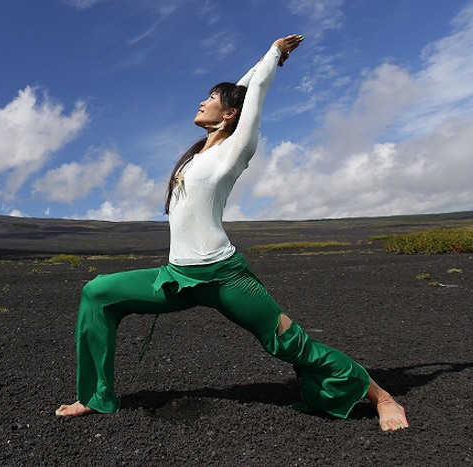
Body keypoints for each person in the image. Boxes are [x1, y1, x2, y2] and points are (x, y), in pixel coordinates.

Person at [56, 34, 408, 432]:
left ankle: (383, 397)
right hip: (176, 278)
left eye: (210, 98)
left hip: (224, 276)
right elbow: (241, 89)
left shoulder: (237, 147)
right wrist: (262, 61)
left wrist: (274, 55)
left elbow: (250, 91)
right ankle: (95, 396)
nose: (201, 102)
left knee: (290, 344)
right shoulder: (197, 156)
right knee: (97, 293)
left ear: (228, 114)